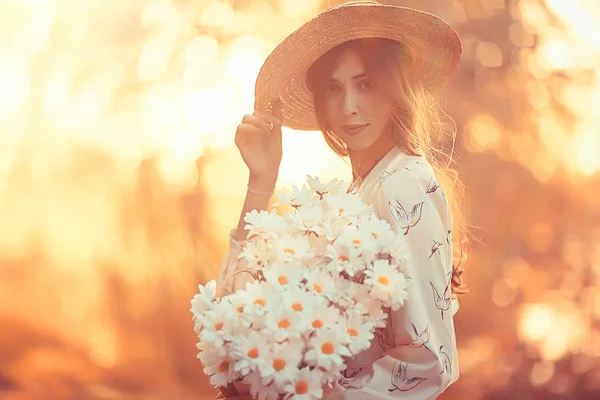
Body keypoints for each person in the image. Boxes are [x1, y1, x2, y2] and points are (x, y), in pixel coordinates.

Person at [215, 1, 470, 399]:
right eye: (334, 88)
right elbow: (238, 303)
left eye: (364, 83)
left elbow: (429, 364)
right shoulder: (351, 194)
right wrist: (261, 182)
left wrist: (312, 393)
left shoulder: (401, 183)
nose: (348, 106)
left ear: (394, 86)